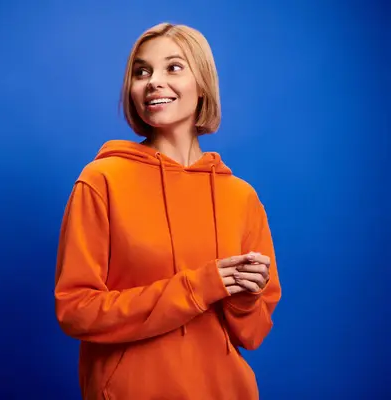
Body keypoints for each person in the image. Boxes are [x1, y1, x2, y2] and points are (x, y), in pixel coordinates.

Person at [54, 22, 282, 400]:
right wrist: (199, 286)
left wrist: (243, 299)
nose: (153, 81)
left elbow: (253, 334)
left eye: (173, 67)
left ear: (203, 84)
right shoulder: (102, 179)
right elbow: (75, 309)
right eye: (141, 71)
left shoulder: (241, 197)